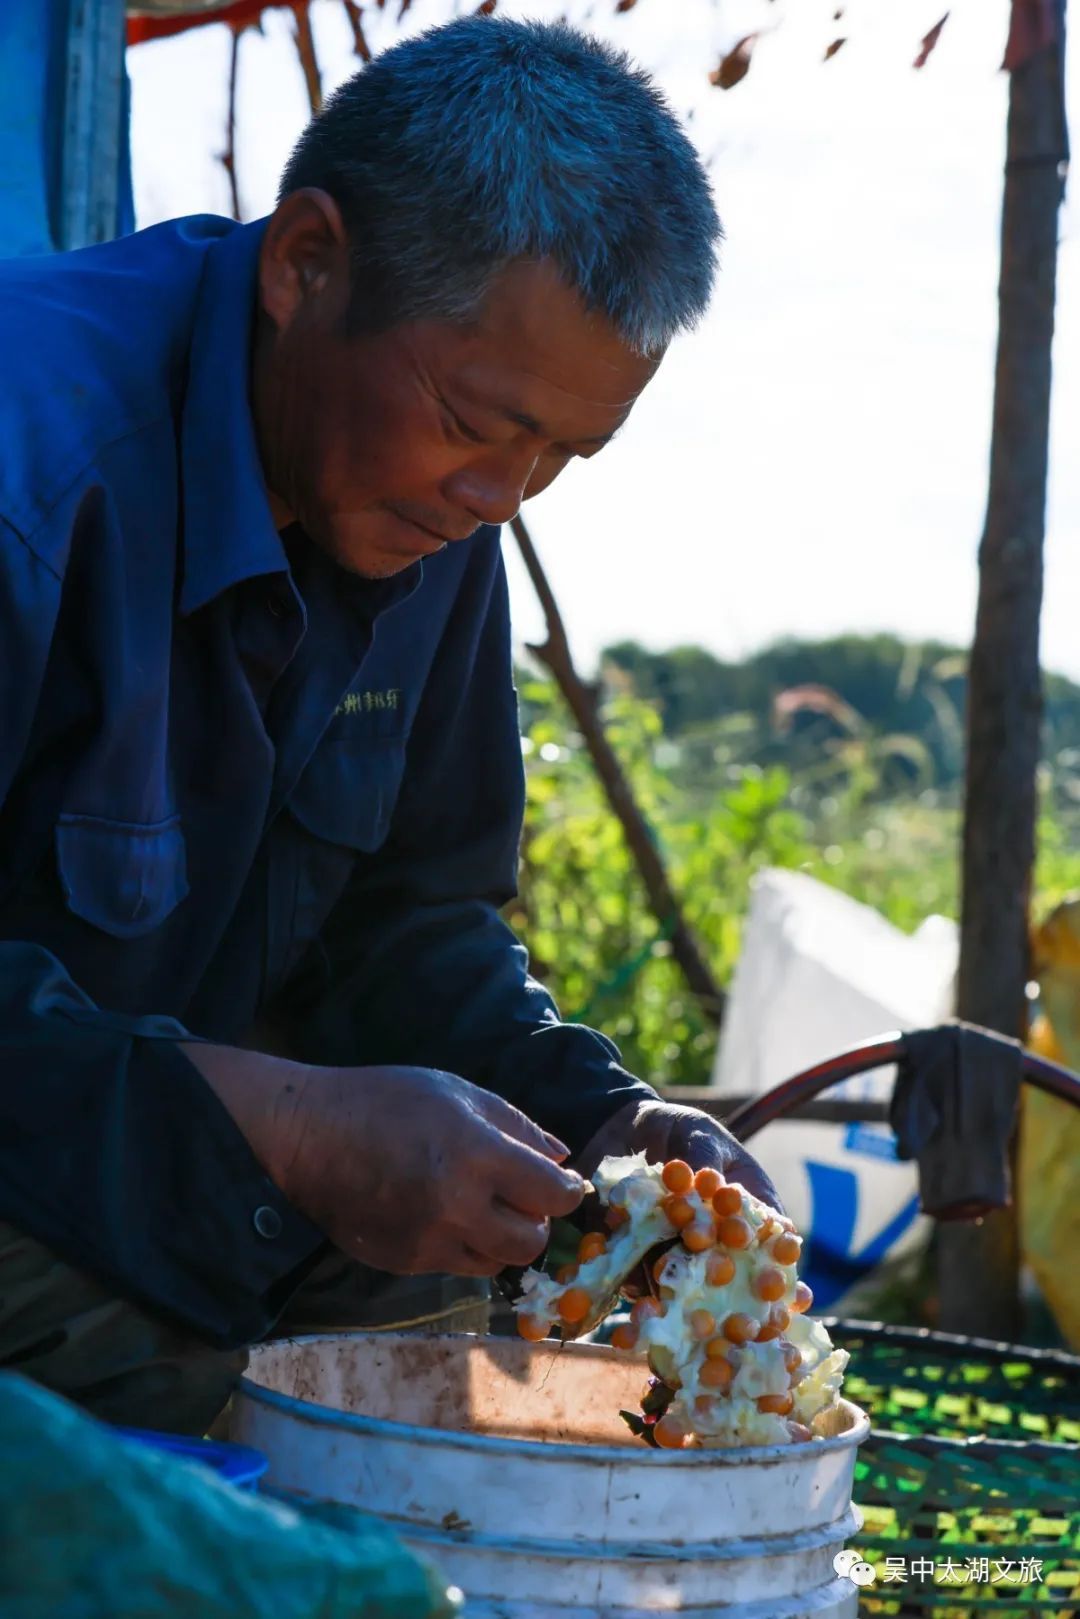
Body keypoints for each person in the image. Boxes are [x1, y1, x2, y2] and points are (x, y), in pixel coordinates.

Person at [0, 16, 777, 1435]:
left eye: (563, 453)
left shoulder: (427, 521)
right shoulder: (30, 467)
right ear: (307, 264)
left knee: (537, 1374)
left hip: (163, 1202)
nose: (505, 495)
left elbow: (408, 923)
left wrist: (599, 1123)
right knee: (284, 1431)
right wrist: (286, 1126)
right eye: (482, 421)